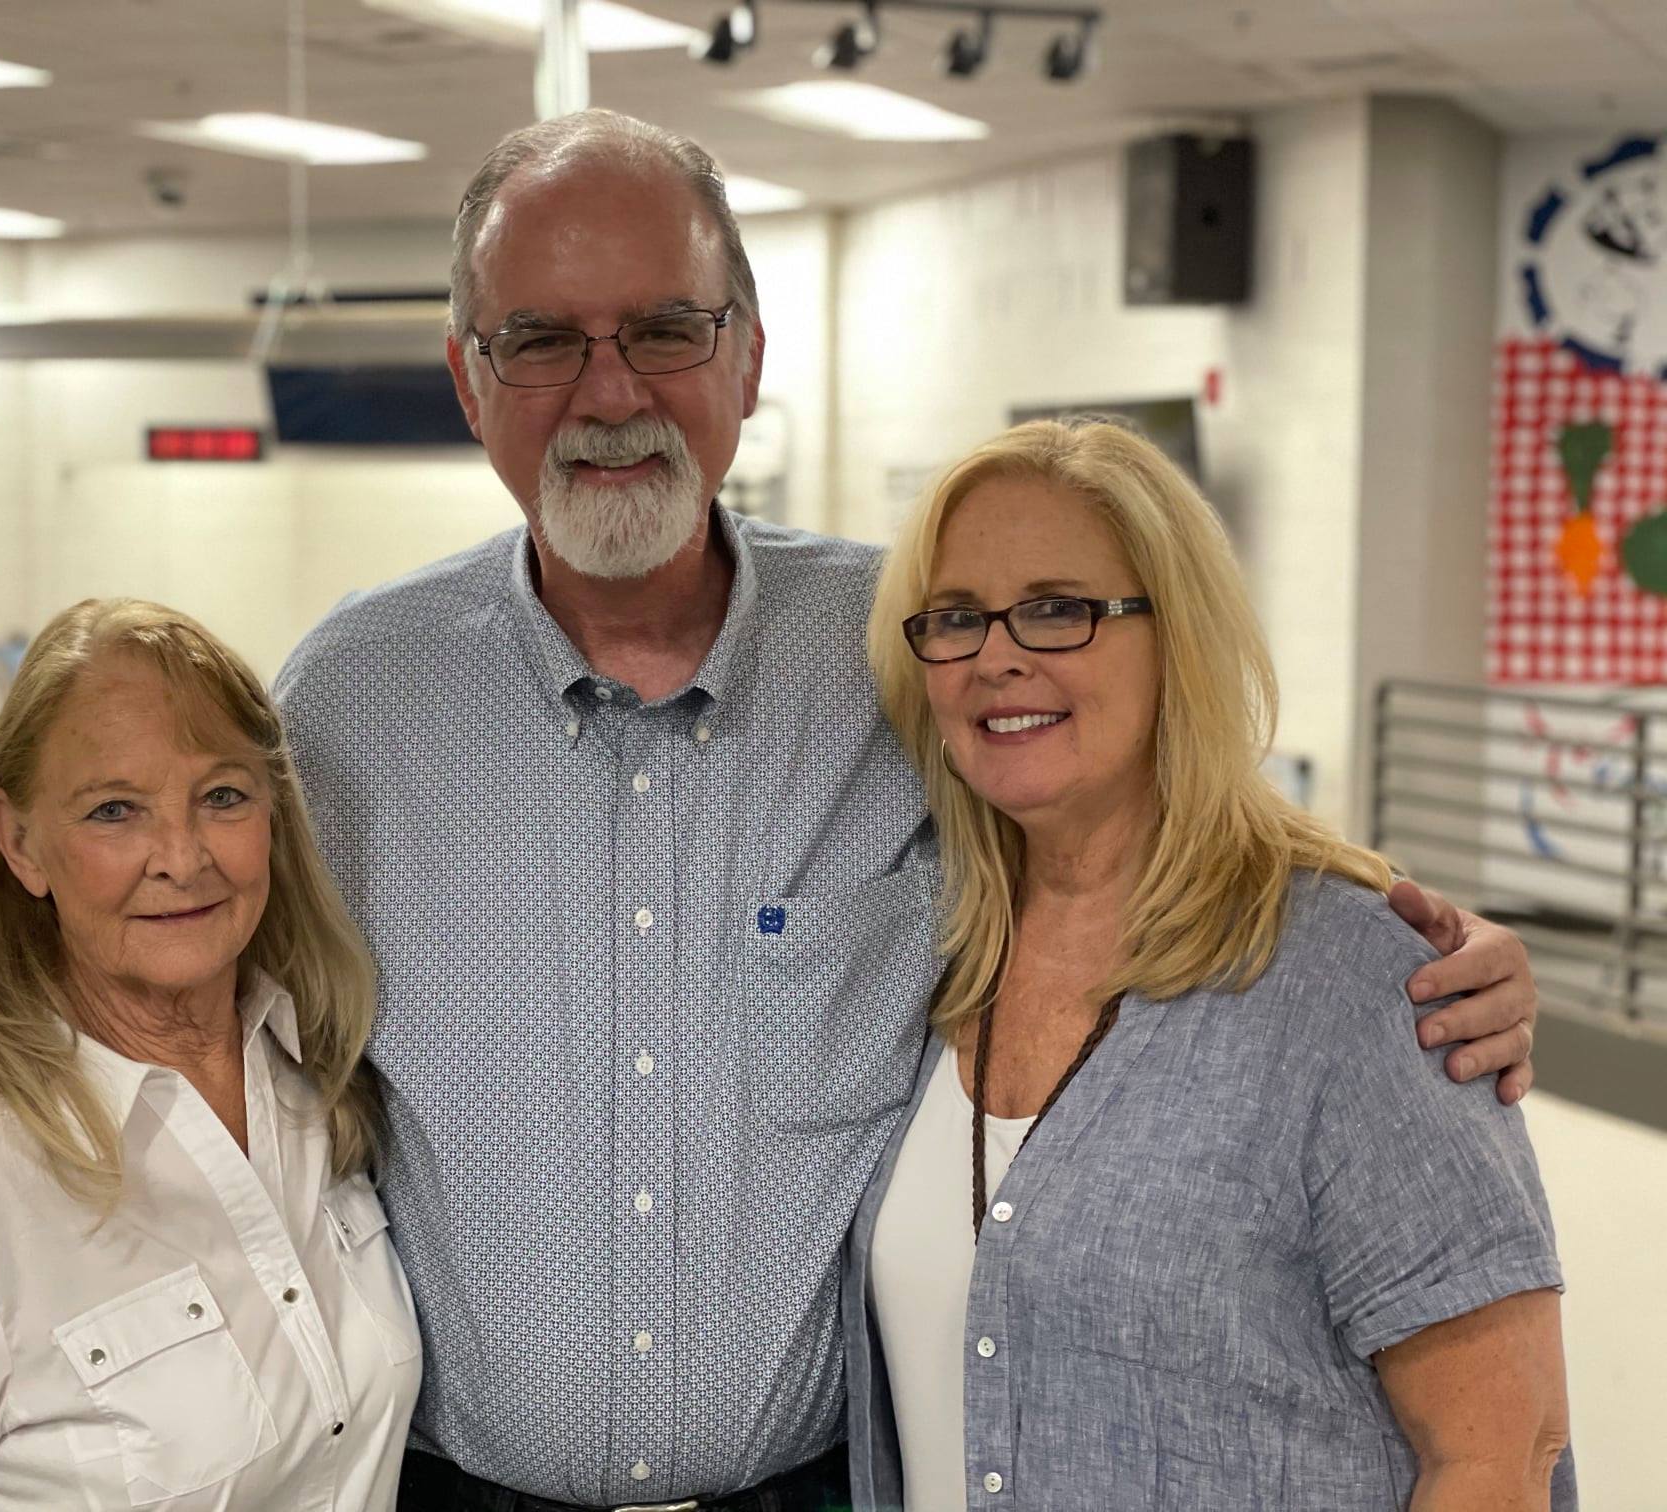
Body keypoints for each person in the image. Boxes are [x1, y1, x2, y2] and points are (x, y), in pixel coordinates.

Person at [272, 109, 1543, 1512]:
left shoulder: (897, 651)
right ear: (468, 376)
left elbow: (1140, 803)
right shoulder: (351, 705)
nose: (610, 390)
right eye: (543, 340)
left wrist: (1406, 945)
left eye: (666, 329)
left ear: (749, 358)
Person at [845, 418, 1573, 1510]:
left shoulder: (1353, 988)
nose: (998, 655)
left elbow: (1504, 1454)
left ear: (1175, 635)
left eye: (1059, 608)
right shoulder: (925, 958)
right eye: (956, 618)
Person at [0, 599, 419, 1512]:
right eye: (115, 811)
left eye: (222, 796)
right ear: (20, 842)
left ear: (274, 811)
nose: (181, 857)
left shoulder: (315, 1090)